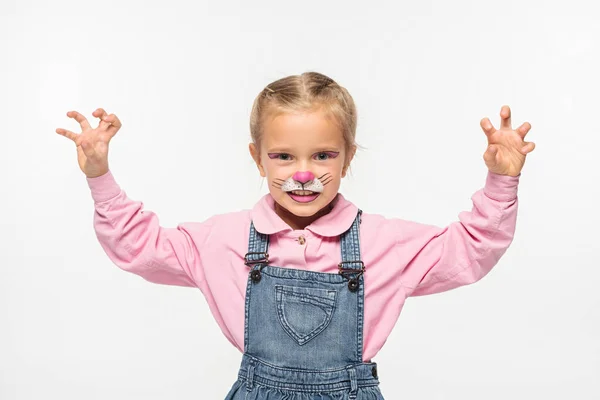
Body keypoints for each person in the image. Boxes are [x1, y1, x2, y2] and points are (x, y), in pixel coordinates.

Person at [56, 71, 535, 399]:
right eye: (284, 156)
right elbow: (139, 247)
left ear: (348, 157)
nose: (303, 175)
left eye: (323, 156)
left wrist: (501, 182)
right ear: (256, 156)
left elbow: (470, 249)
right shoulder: (223, 240)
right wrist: (99, 175)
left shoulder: (381, 243)